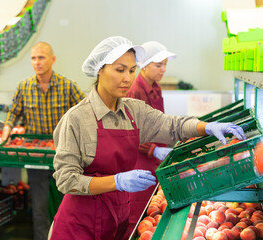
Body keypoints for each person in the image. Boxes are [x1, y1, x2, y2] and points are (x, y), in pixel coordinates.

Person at [48, 36, 246, 240]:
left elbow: (173, 125)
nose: (127, 78)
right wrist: (117, 181)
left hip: (117, 222)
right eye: (119, 69)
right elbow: (66, 180)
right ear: (100, 69)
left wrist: (207, 127)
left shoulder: (133, 111)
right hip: (79, 226)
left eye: (132, 70)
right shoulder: (77, 119)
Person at [1, 42, 86, 240]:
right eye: (33, 58)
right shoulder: (24, 87)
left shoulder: (68, 86)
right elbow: (14, 113)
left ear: (52, 59)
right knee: (39, 208)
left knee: (67, 206)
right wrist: (6, 131)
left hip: (64, 158)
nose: (37, 62)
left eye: (41, 57)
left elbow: (86, 111)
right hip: (37, 159)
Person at [126, 41, 177, 231]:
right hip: (140, 159)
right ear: (145, 65)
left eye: (165, 64)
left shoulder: (155, 88)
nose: (163, 69)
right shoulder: (134, 91)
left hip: (155, 159)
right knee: (138, 213)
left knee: (152, 209)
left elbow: (158, 121)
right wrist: (154, 150)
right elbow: (131, 132)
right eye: (159, 65)